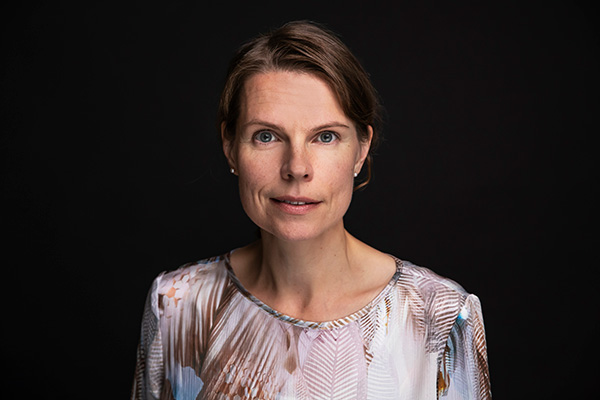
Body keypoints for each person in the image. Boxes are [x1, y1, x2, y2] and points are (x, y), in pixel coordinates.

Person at [131, 20, 491, 399]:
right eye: (266, 136)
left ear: (361, 149)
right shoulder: (177, 305)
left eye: (325, 136)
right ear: (230, 146)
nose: (297, 167)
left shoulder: (440, 315)